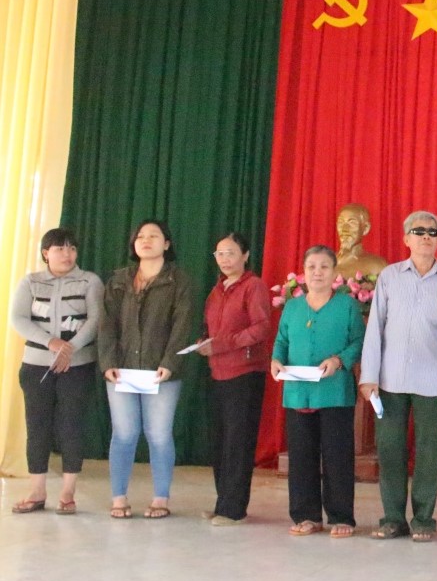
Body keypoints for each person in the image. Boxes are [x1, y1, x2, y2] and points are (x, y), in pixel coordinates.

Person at [359, 210, 437, 542]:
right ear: (406, 239)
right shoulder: (389, 276)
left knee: (430, 453)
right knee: (390, 450)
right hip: (390, 381)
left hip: (433, 381)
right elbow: (375, 329)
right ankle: (391, 518)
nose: (426, 236)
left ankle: (423, 520)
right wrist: (368, 376)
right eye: (418, 231)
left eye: (432, 232)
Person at [98, 219, 194, 520]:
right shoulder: (118, 280)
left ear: (167, 244)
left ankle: (160, 498)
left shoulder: (179, 280)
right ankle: (118, 497)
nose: (146, 240)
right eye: (140, 236)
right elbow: (106, 325)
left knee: (159, 434)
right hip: (122, 370)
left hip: (161, 372)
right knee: (124, 434)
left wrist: (169, 362)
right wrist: (108, 362)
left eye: (154, 236)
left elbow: (183, 325)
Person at [271, 245, 364, 538]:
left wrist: (339, 360)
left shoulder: (347, 305)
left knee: (337, 456)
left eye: (324, 267)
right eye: (311, 267)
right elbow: (282, 341)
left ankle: (341, 517)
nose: (317, 272)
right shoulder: (293, 306)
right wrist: (276, 360)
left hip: (335, 392)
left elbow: (358, 342)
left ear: (334, 272)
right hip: (298, 391)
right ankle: (306, 514)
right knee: (301, 455)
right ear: (303, 272)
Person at [9, 228, 103, 515]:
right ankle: (37, 491)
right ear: (45, 253)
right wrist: (51, 342)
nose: (67, 254)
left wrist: (69, 349)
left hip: (77, 366)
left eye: (72, 248)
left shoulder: (90, 281)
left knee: (71, 426)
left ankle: (68, 491)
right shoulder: (31, 281)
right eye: (60, 248)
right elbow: (18, 318)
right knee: (37, 427)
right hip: (37, 365)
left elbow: (96, 319)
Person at [197, 232, 273, 526]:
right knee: (220, 442)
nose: (225, 259)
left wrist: (223, 344)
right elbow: (210, 329)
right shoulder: (216, 291)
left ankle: (234, 509)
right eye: (219, 254)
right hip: (217, 373)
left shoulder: (253, 287)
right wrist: (203, 343)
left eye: (230, 253)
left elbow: (261, 328)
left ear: (245, 255)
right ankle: (222, 503)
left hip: (244, 373)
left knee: (238, 442)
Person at [334, 202, 388, 279]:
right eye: (340, 223)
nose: (344, 229)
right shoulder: (324, 261)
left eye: (352, 223)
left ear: (365, 229)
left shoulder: (376, 266)